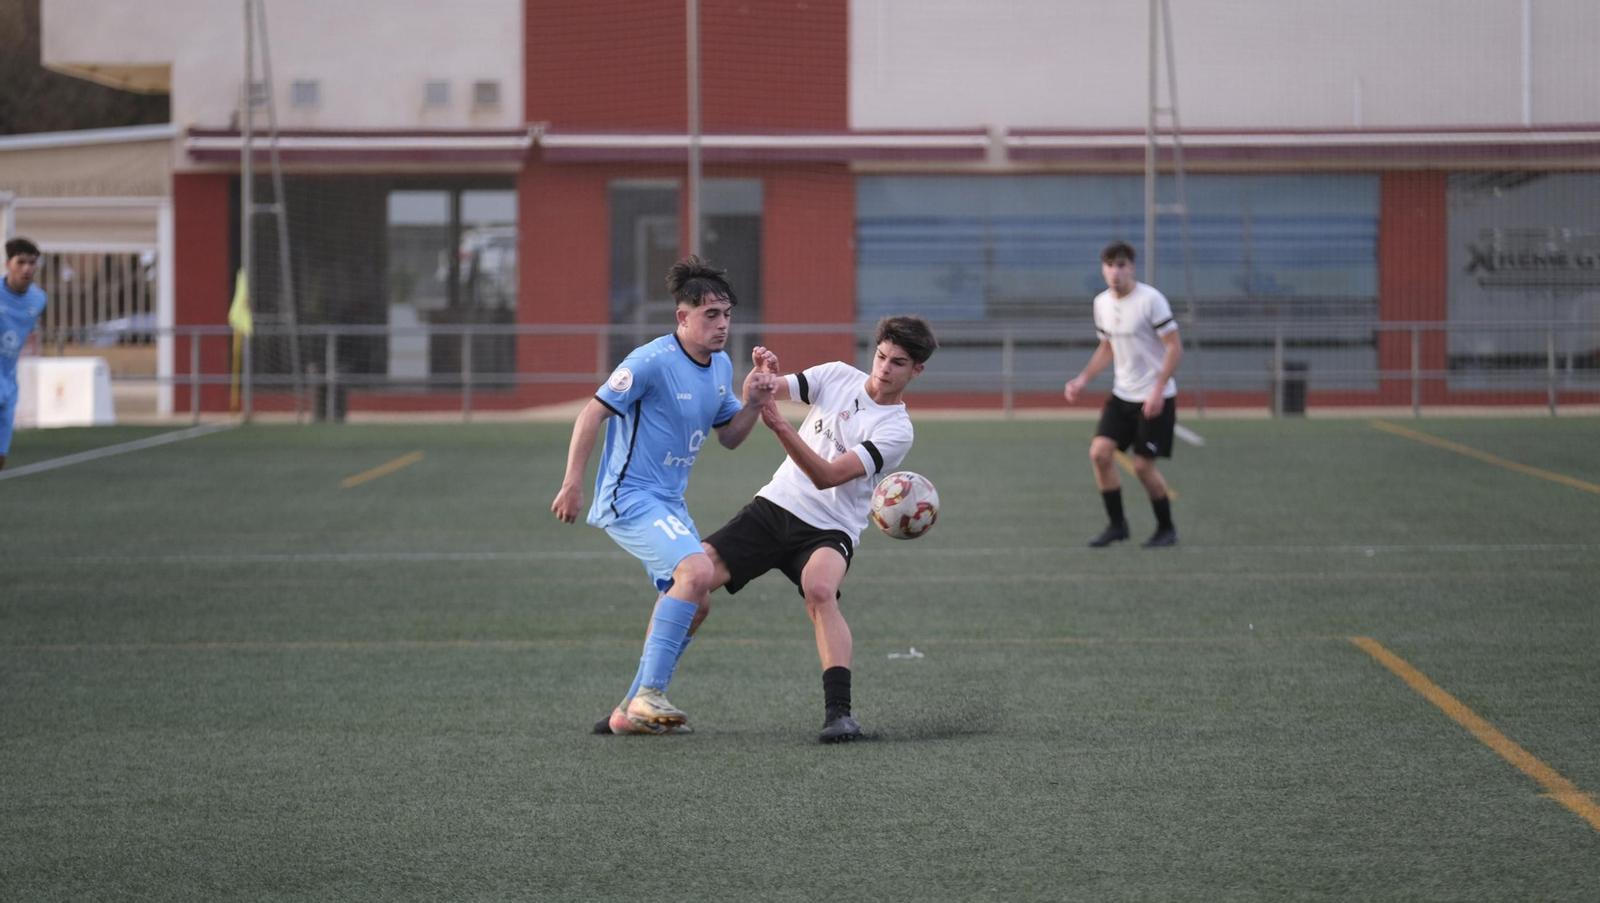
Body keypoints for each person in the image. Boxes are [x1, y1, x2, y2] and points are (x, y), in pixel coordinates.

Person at [594, 315, 939, 743]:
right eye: (882, 356)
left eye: (898, 363)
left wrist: (779, 425)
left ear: (916, 371)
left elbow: (828, 476)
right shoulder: (836, 375)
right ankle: (635, 702)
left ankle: (839, 715)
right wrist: (760, 377)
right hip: (774, 507)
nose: (884, 368)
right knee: (689, 583)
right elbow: (762, 392)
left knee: (820, 591)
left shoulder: (896, 429)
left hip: (831, 528)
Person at [552, 255, 777, 735]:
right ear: (683, 316)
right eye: (710, 314)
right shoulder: (650, 361)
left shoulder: (720, 365)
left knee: (699, 599)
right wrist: (573, 483)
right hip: (629, 496)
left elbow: (730, 437)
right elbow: (592, 414)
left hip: (669, 502)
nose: (722, 324)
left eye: (727, 314)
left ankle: (629, 710)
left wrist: (756, 403)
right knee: (697, 573)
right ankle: (649, 694)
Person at [1063, 241, 1184, 548]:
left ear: (1132, 268)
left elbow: (1174, 346)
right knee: (1099, 454)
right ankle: (1117, 526)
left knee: (1143, 467)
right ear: (1102, 269)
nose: (1115, 272)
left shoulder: (1151, 300)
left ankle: (1166, 528)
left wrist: (1158, 390)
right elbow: (1107, 347)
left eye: (1121, 265)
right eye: (1109, 265)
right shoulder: (1102, 303)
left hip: (1154, 397)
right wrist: (1083, 379)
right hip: (1122, 395)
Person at [1, 238, 49, 471]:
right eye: (20, 262)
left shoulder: (38, 299)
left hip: (8, 386)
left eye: (32, 263)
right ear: (8, 264)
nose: (27, 268)